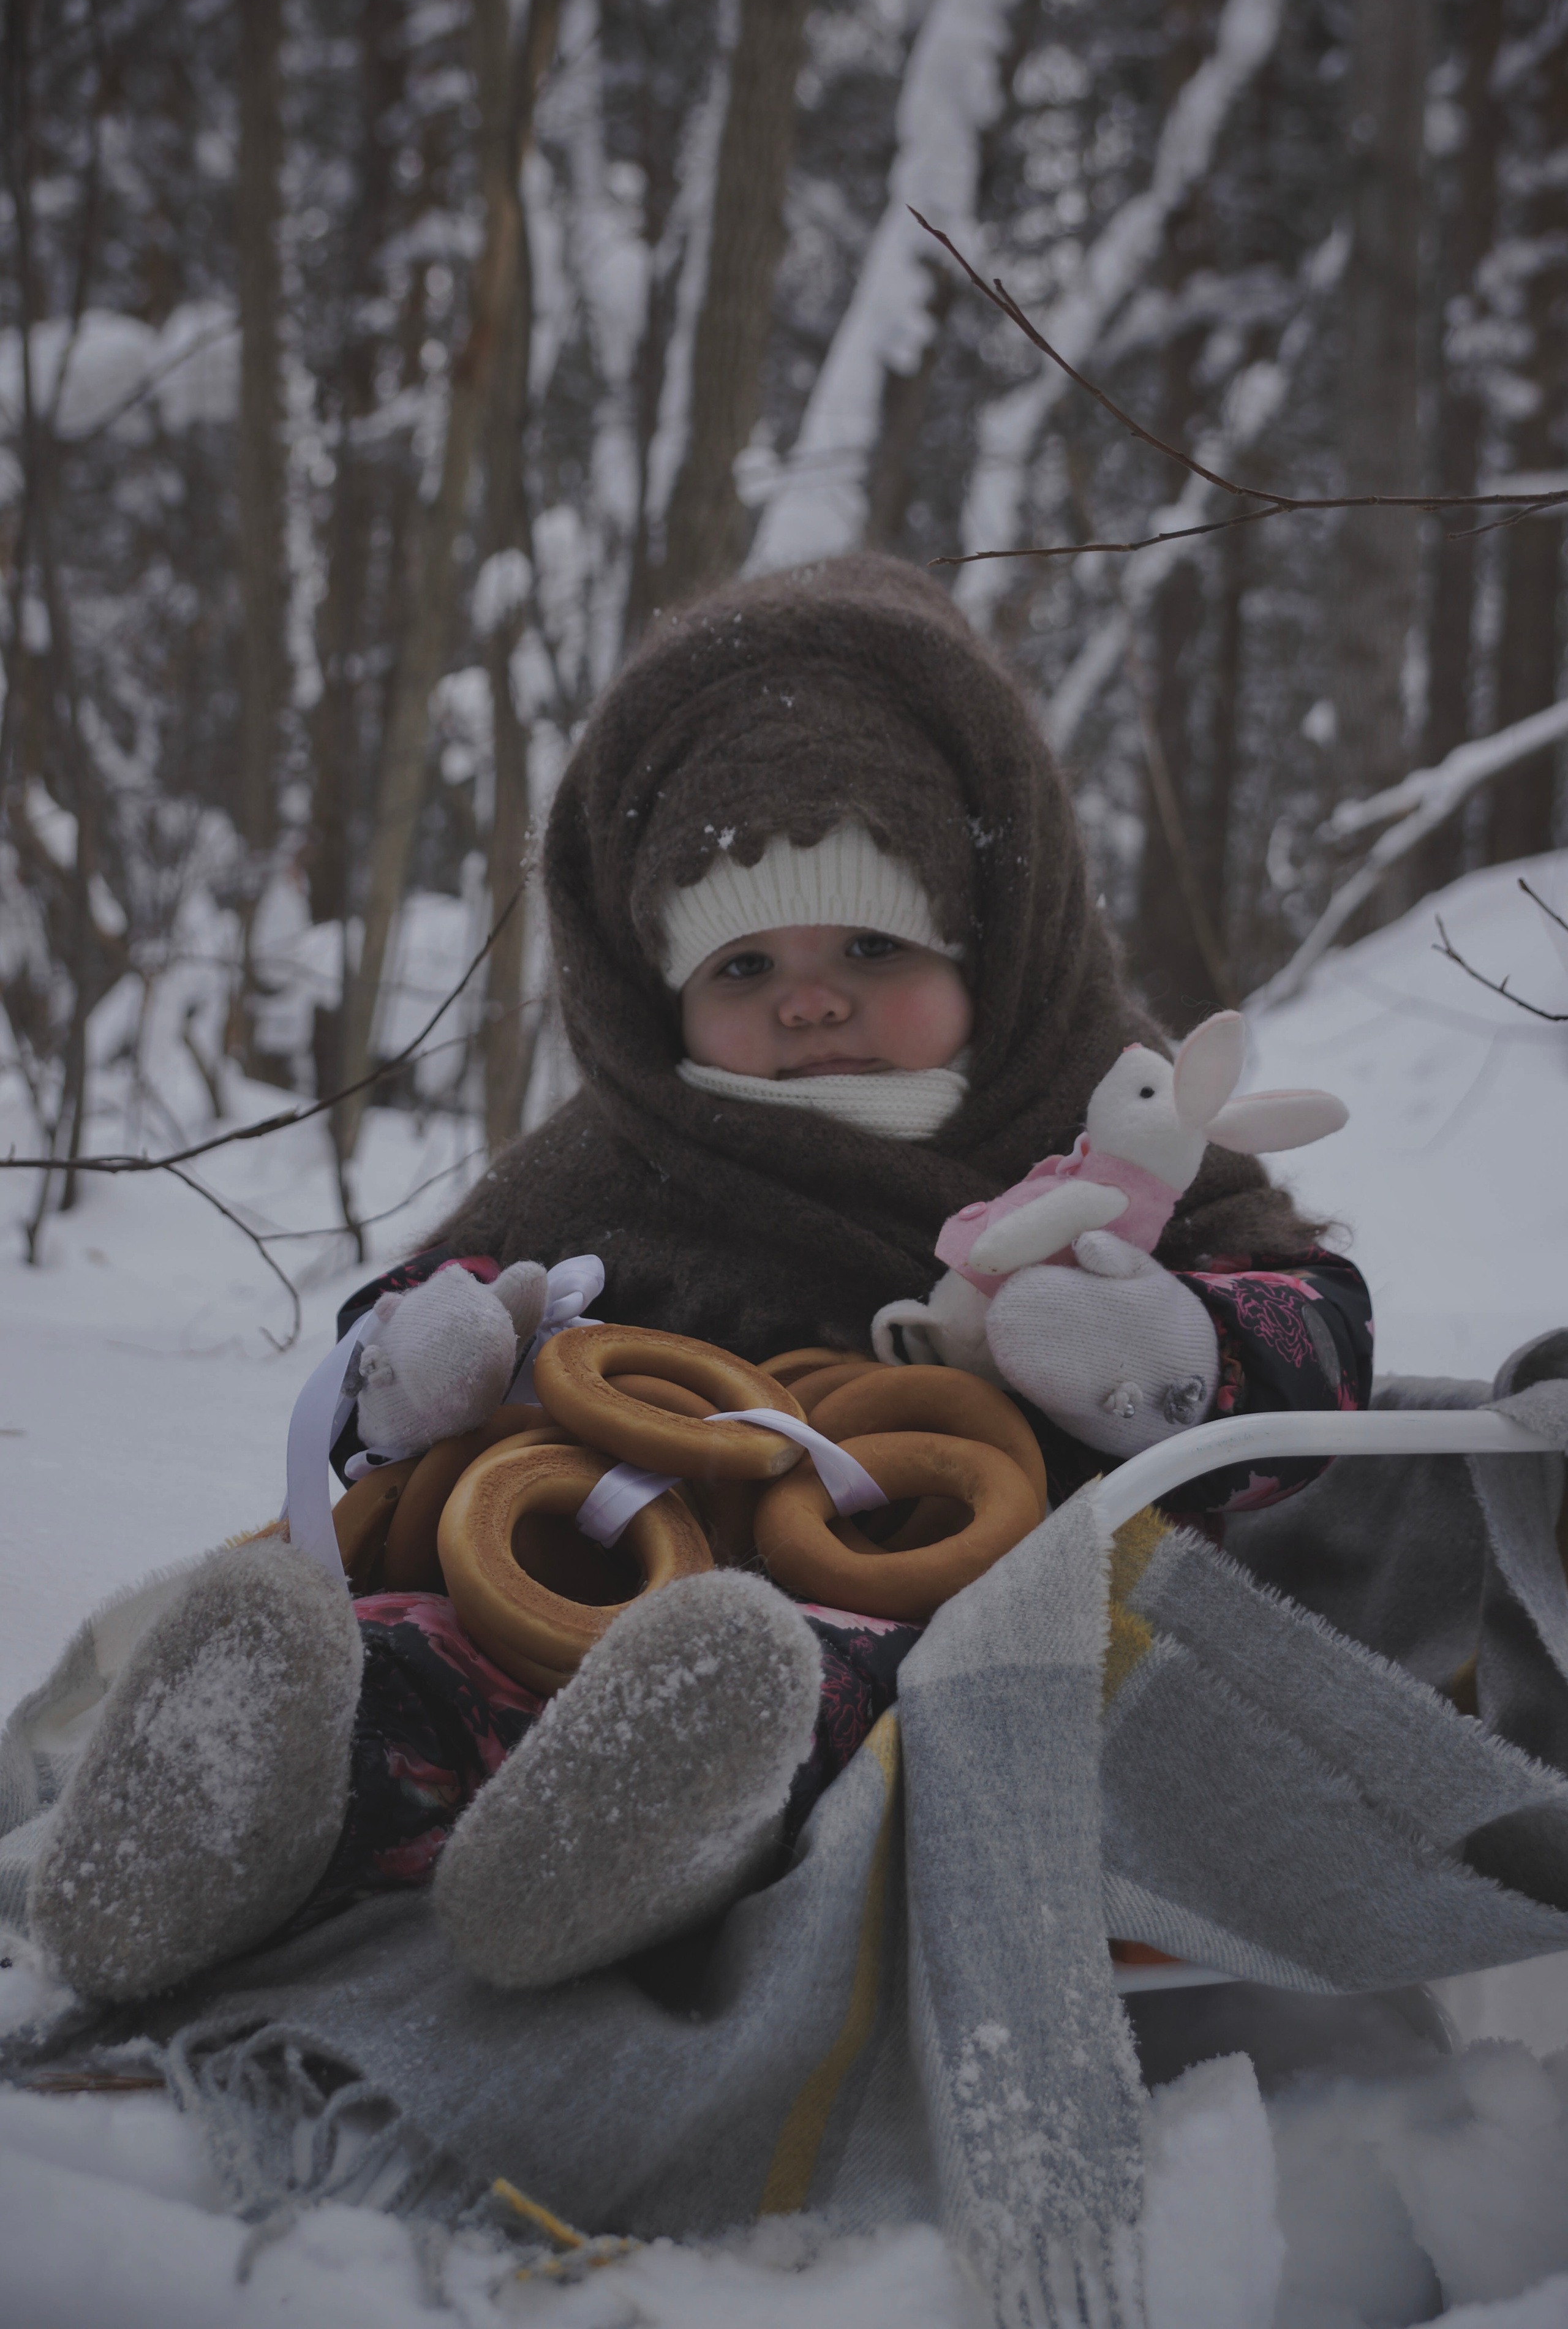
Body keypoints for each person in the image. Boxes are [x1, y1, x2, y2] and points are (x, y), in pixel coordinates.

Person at [28, 554, 1371, 2006]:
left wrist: (1172, 1347)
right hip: (579, 1586)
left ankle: (625, 1846)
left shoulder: (1113, 1133)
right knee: (406, 1661)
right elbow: (401, 1350)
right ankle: (226, 1812)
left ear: (999, 939)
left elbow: (1316, 1349)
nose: (809, 996)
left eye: (871, 944)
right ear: (656, 989)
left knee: (808, 1684)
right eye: (742, 967)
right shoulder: (616, 1161)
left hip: (961, 1630)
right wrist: (426, 1355)